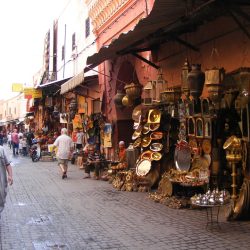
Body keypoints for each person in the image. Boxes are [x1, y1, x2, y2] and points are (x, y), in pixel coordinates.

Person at [0, 145, 13, 215]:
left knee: (1, 200)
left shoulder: (1, 149)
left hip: (1, 182)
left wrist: (10, 176)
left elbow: (7, 164)